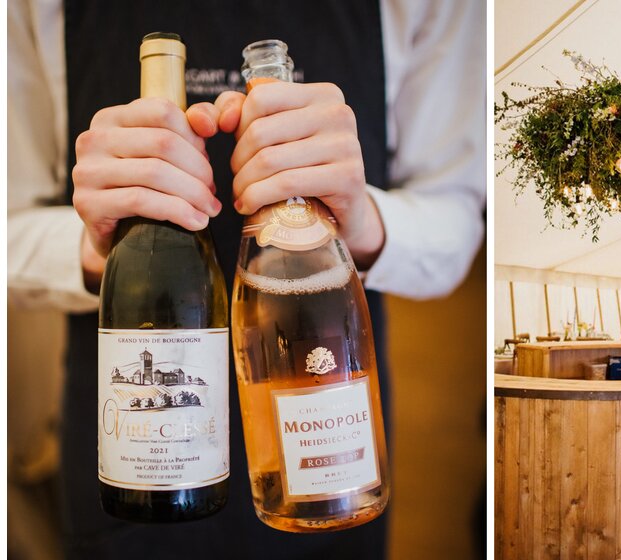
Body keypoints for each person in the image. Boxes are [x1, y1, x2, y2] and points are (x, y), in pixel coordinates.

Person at [8, 0, 486, 558]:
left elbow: (455, 222)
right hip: (135, 477)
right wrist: (100, 246)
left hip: (328, 435)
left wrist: (359, 217)